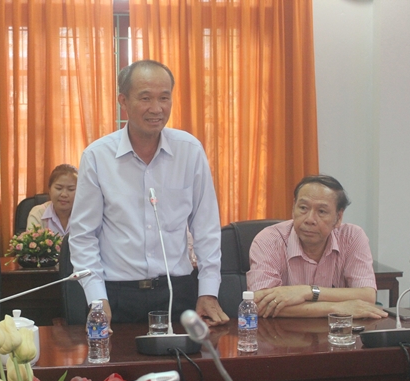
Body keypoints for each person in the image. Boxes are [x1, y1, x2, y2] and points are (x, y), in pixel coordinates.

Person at [69, 59, 229, 327]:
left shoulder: (189, 151)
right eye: (145, 98)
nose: (157, 108)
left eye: (164, 98)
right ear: (123, 101)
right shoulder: (97, 156)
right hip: (117, 294)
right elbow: (83, 236)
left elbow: (206, 228)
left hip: (178, 291)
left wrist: (208, 291)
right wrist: (97, 299)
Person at [246, 175, 388, 319]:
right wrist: (336, 308)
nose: (310, 219)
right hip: (281, 331)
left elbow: (367, 296)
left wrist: (306, 292)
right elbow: (260, 303)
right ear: (293, 208)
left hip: (338, 331)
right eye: (303, 208)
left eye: (321, 211)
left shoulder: (352, 237)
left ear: (338, 217)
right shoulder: (269, 240)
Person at [26, 164, 78, 236]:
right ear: (49, 189)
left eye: (71, 189)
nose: (64, 194)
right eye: (59, 188)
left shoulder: (85, 214)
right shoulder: (38, 213)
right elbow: (32, 241)